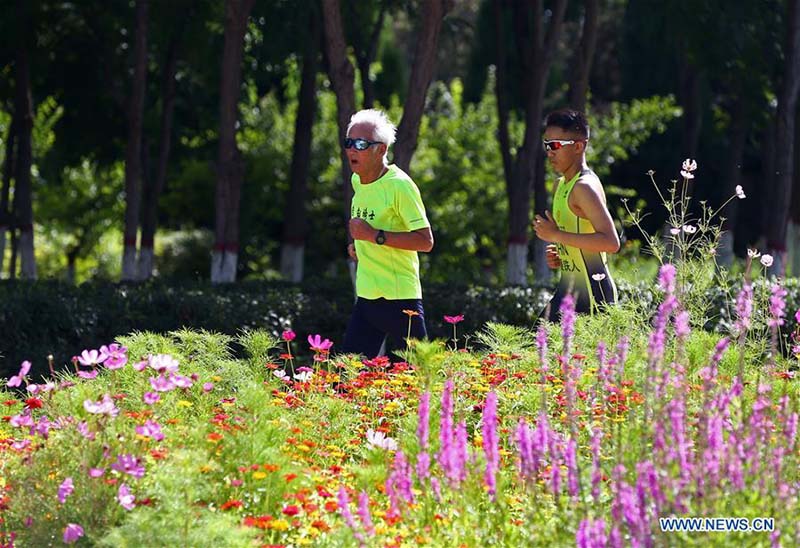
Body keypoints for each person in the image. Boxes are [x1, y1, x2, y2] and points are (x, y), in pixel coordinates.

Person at [341, 109, 434, 358]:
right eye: (348, 142)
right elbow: (372, 233)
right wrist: (360, 247)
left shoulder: (400, 186)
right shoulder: (357, 181)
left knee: (417, 379)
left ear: (380, 150)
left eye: (360, 144)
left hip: (400, 300)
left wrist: (374, 236)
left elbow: (425, 241)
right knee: (346, 378)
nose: (352, 150)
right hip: (368, 297)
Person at [532, 109, 620, 322]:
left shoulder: (584, 187)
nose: (550, 152)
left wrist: (557, 236)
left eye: (556, 145)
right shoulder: (561, 185)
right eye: (546, 144)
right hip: (568, 290)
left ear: (579, 146)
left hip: (593, 297)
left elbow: (611, 242)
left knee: (538, 350)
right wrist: (561, 254)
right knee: (537, 349)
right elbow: (578, 238)